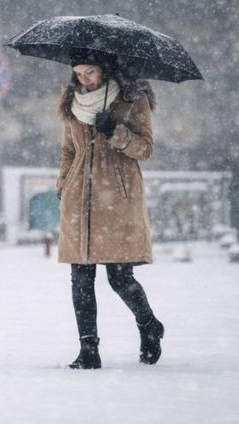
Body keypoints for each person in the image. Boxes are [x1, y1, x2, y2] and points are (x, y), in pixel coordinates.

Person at [55, 51, 164, 369]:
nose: (83, 80)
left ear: (105, 69)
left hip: (117, 198)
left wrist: (114, 132)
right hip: (78, 199)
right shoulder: (72, 103)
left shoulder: (132, 98)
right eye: (78, 74)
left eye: (89, 73)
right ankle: (89, 350)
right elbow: (68, 150)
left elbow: (145, 148)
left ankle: (148, 325)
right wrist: (63, 184)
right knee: (80, 278)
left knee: (119, 278)